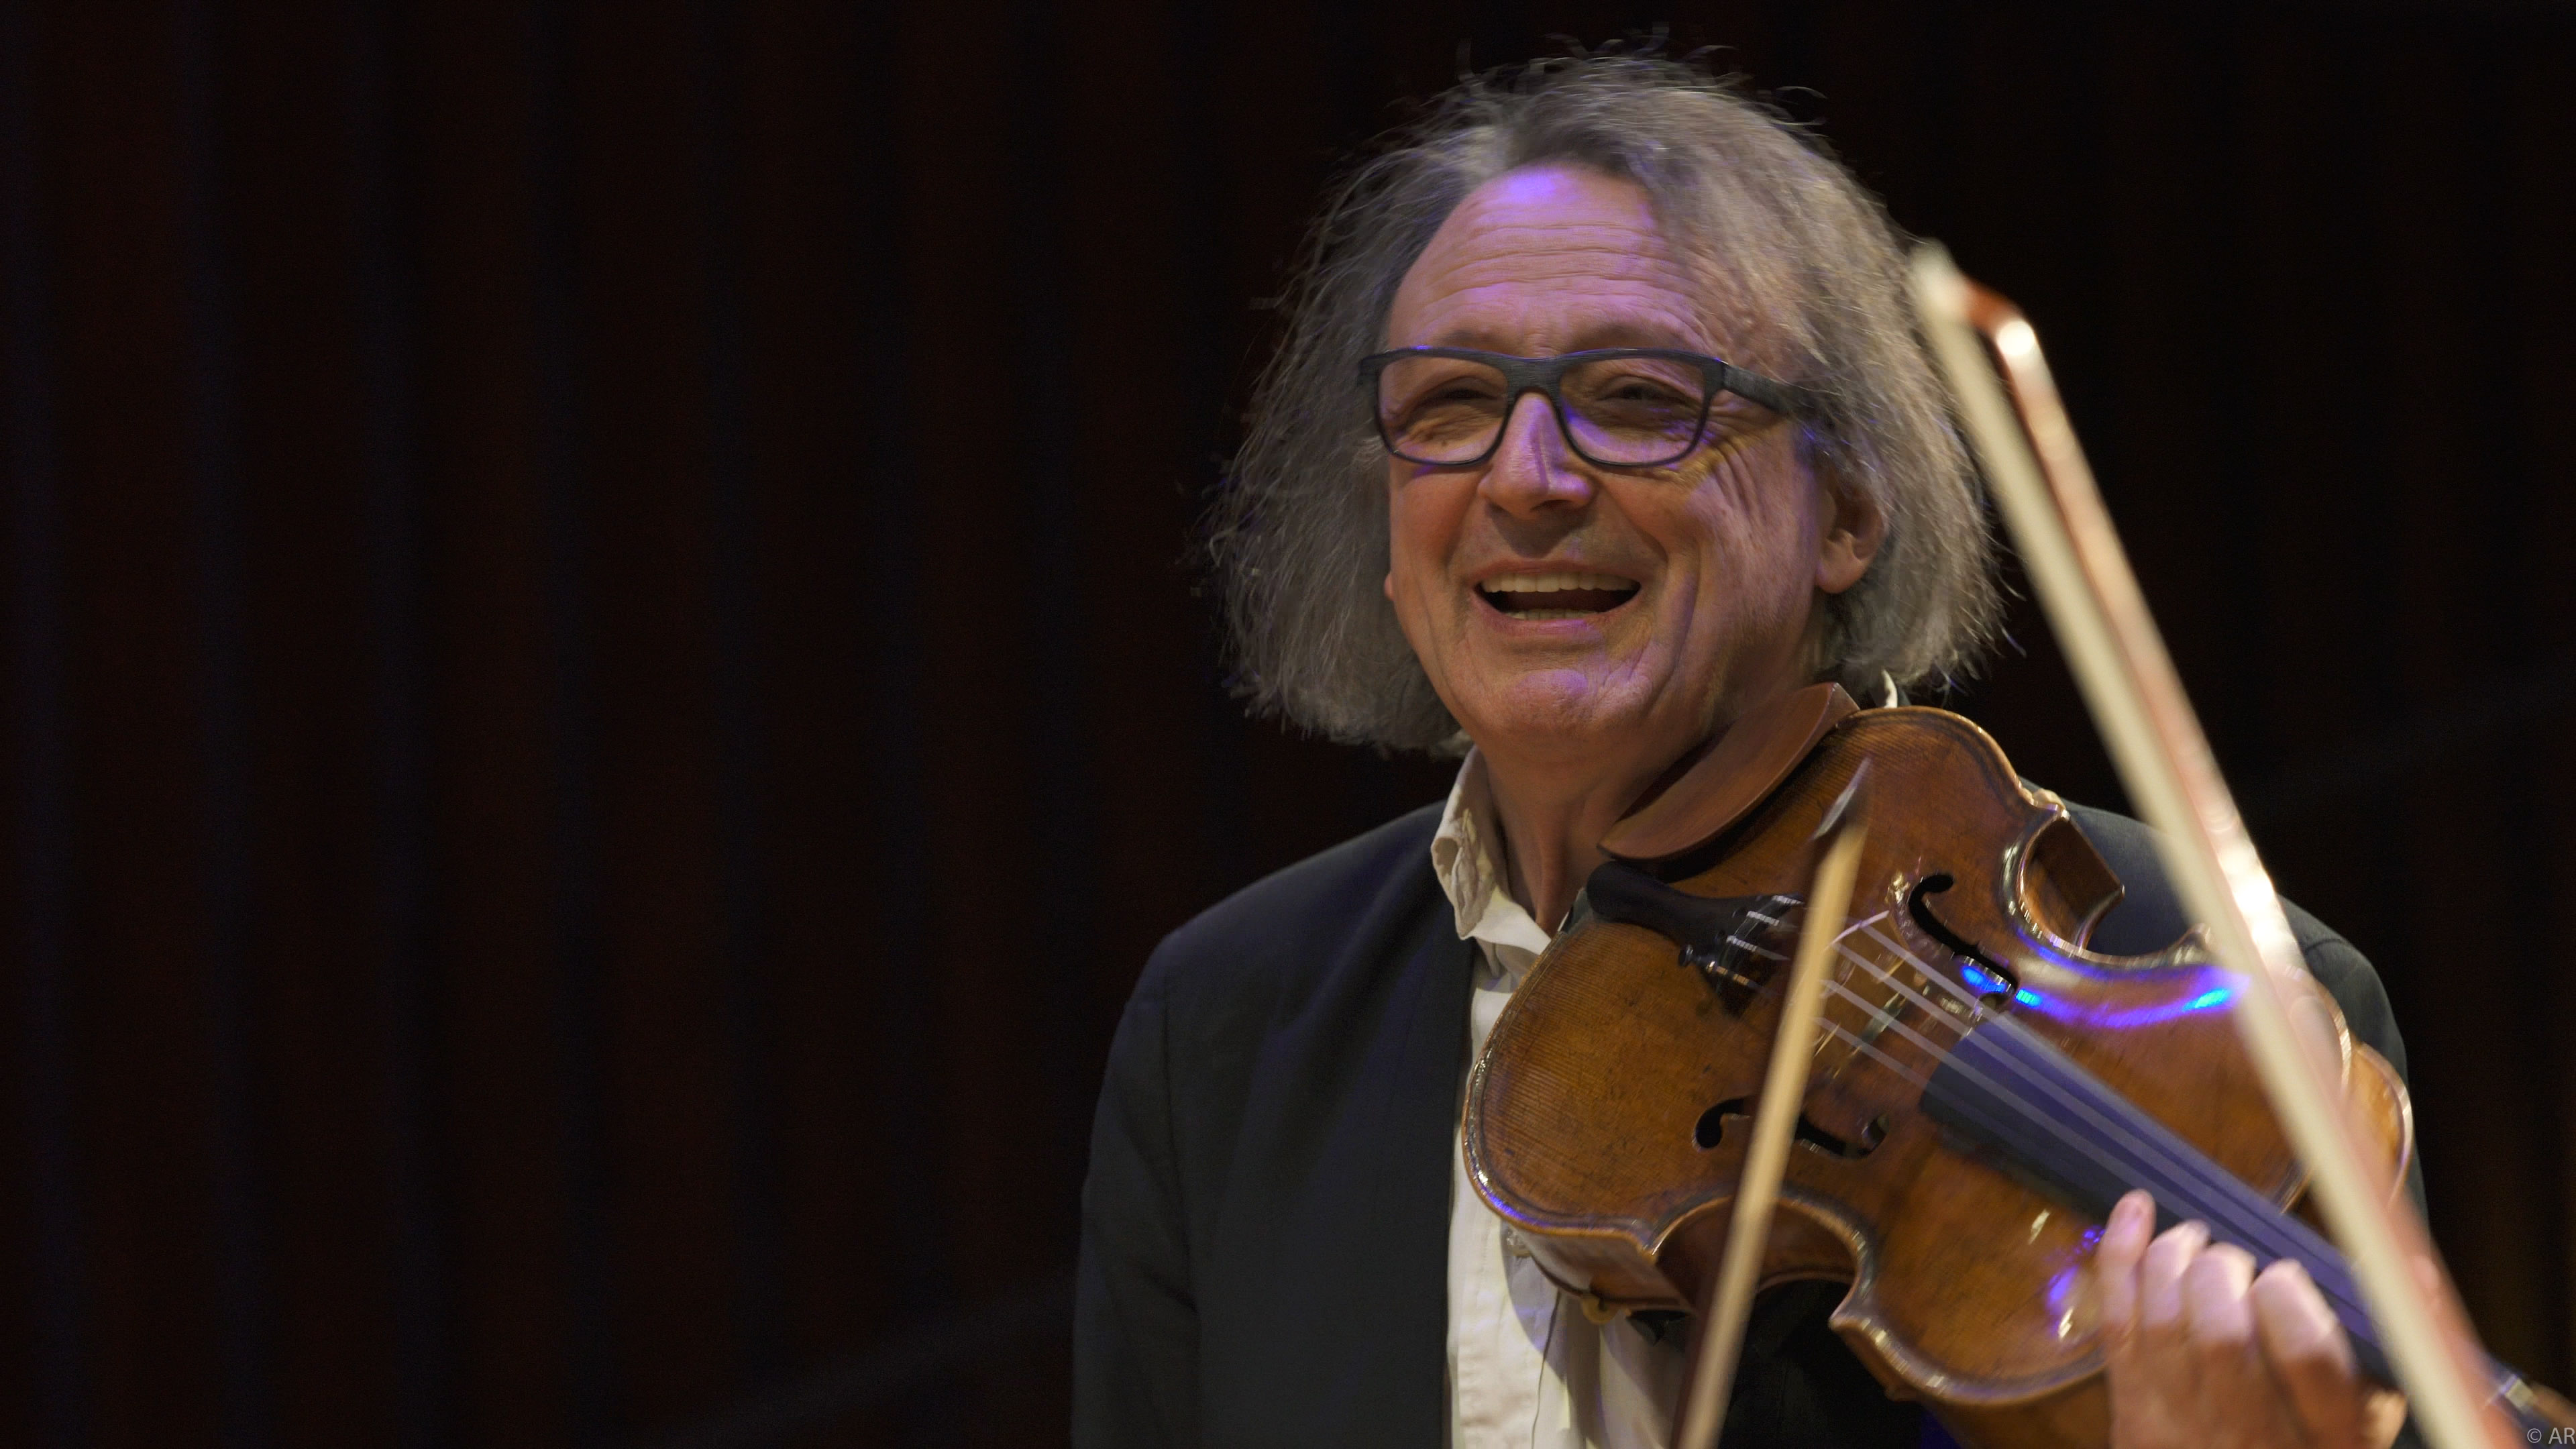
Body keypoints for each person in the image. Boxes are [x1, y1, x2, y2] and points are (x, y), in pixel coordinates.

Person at [1075, 53, 2412, 1449]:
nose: (1527, 478)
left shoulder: (2226, 1017)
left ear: (1848, 509)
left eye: (1639, 398)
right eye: (1451, 406)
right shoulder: (1226, 1031)